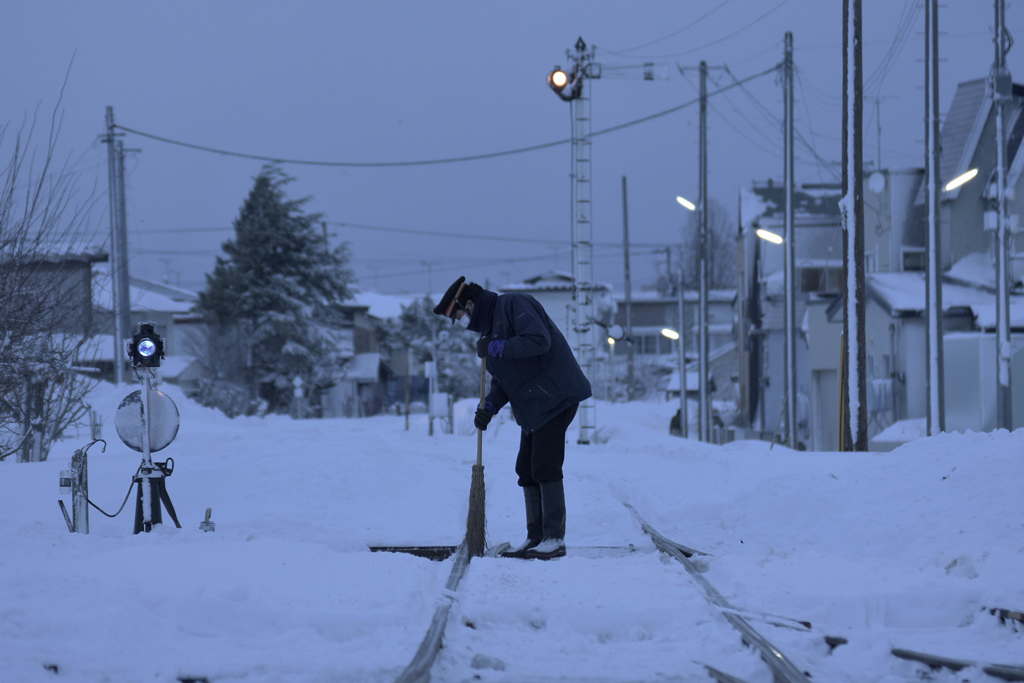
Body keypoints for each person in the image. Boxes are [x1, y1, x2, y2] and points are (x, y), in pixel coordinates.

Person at [433, 276, 591, 560]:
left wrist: (497, 347)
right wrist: (489, 407)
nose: (463, 321)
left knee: (545, 464)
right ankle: (536, 537)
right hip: (534, 406)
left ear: (469, 303)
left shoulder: (513, 304)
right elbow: (505, 380)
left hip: (556, 395)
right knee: (526, 468)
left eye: (460, 314)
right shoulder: (488, 333)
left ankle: (554, 538)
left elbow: (538, 340)